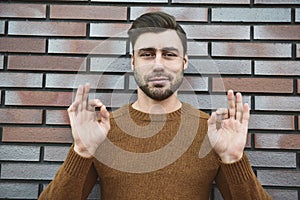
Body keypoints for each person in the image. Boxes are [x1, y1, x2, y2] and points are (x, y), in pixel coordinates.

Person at [39, 11, 271, 199]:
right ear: (133, 62)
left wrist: (233, 159)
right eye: (147, 54)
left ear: (184, 62)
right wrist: (81, 151)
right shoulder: (103, 131)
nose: (158, 64)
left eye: (169, 54)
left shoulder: (212, 132)